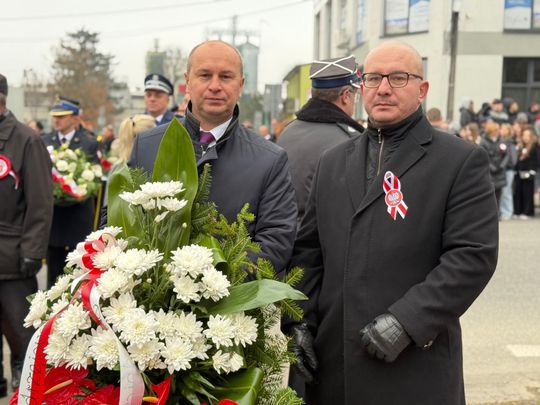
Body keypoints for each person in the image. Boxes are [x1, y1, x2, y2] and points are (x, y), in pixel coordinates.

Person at [283, 41, 498, 405]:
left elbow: (471, 257)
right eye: (373, 78)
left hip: (413, 366)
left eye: (398, 78)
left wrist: (407, 321)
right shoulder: (332, 161)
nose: (383, 88)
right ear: (361, 86)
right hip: (334, 367)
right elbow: (308, 253)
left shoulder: (459, 161)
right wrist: (299, 322)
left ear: (422, 89)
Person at [129, 40, 297, 275]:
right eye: (205, 75)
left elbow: (275, 243)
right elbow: (120, 217)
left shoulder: (269, 160)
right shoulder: (147, 146)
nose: (215, 86)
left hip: (228, 295)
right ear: (188, 82)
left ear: (241, 85)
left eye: (226, 77)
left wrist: (209, 284)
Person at [0, 74, 53, 393]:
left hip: (13, 255)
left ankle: (26, 382)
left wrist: (33, 251)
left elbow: (40, 201)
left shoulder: (26, 140)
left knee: (21, 331)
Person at [278, 55, 364, 228]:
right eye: (355, 96)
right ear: (346, 96)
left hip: (281, 235)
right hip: (321, 239)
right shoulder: (351, 141)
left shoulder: (287, 132)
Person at [42, 97, 99, 288]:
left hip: (77, 218)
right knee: (53, 279)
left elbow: (94, 178)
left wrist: (77, 191)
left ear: (75, 118)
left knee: (78, 278)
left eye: (62, 116)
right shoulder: (44, 141)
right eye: (55, 116)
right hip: (55, 218)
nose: (56, 120)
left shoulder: (89, 143)